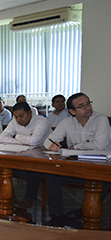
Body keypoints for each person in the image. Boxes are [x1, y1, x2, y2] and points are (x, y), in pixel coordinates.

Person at [44, 92, 111, 227]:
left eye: (88, 103)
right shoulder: (67, 122)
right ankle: (57, 215)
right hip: (76, 166)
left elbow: (99, 145)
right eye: (82, 106)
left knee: (99, 183)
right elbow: (48, 140)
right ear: (72, 111)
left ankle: (84, 213)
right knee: (51, 175)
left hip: (101, 166)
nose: (87, 107)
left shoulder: (101, 119)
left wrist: (75, 147)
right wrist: (52, 145)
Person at [0, 102, 51, 209]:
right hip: (22, 153)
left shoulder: (41, 121)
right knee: (3, 165)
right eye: (16, 117)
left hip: (43, 157)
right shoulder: (14, 122)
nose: (18, 119)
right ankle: (10, 197)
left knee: (33, 167)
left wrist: (17, 136)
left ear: (30, 113)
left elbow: (34, 142)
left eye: (21, 116)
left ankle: (29, 199)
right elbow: (2, 138)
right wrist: (21, 140)